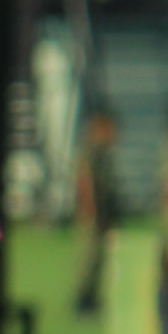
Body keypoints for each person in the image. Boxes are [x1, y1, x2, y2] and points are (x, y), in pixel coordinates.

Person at [71, 106, 121, 316]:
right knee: (89, 257)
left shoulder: (102, 152)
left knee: (99, 257)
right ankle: (82, 298)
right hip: (93, 213)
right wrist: (90, 208)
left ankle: (91, 298)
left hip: (101, 212)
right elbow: (85, 181)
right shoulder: (91, 151)